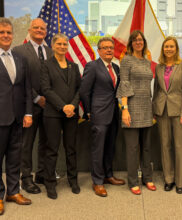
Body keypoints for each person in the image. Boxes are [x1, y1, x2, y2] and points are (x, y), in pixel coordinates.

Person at [80, 37, 125, 197]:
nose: (108, 50)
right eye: (105, 48)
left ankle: (108, 175)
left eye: (110, 48)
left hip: (114, 113)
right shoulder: (92, 66)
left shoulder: (116, 67)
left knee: (110, 146)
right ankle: (97, 181)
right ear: (98, 51)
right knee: (98, 148)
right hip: (98, 113)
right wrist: (89, 111)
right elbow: (84, 91)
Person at [13, 18, 53, 194]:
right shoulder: (19, 51)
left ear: (46, 31)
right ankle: (26, 178)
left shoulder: (52, 51)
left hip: (50, 107)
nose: (39, 30)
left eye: (42, 28)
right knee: (26, 144)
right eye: (36, 28)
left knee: (46, 142)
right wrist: (36, 98)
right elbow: (18, 80)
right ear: (29, 30)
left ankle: (42, 174)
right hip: (29, 106)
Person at [40, 33, 81, 199]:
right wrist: (63, 106)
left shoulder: (74, 66)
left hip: (71, 113)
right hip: (53, 114)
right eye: (59, 44)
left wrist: (72, 105)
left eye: (65, 44)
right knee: (52, 150)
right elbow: (46, 89)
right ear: (53, 46)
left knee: (71, 149)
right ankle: (50, 183)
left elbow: (80, 88)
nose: (63, 47)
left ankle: (73, 180)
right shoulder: (46, 65)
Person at [116, 30, 156, 195]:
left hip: (146, 108)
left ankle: (147, 178)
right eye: (135, 40)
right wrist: (124, 110)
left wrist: (152, 109)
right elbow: (124, 83)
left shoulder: (147, 62)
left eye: (141, 40)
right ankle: (133, 181)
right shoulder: (126, 60)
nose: (138, 42)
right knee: (132, 148)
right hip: (131, 108)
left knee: (146, 147)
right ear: (131, 43)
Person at [0, 18, 33, 215]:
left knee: (14, 158)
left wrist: (28, 112)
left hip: (18, 119)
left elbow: (26, 88)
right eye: (2, 32)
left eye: (8, 32)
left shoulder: (20, 59)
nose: (5, 36)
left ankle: (13, 191)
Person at [153, 36, 182, 194]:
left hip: (179, 113)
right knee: (165, 146)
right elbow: (156, 89)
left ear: (176, 48)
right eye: (166, 47)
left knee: (179, 147)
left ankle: (180, 182)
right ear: (163, 49)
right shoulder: (159, 67)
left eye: (171, 46)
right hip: (162, 111)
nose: (168, 49)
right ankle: (169, 179)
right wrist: (154, 110)